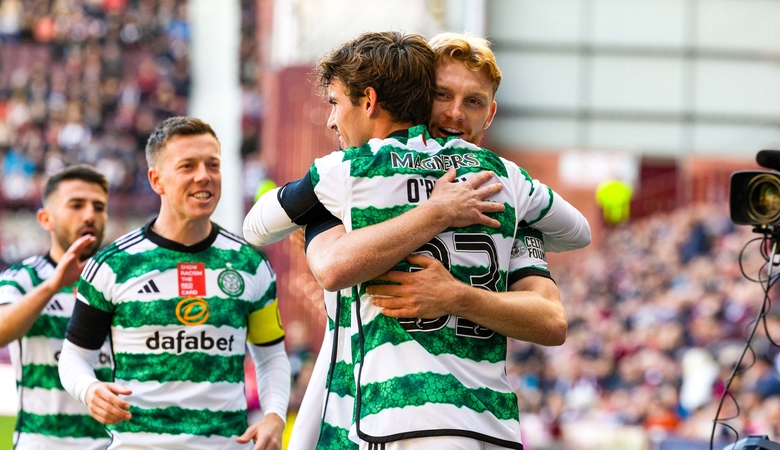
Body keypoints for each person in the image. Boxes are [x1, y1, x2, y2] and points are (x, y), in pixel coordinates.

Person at [244, 31, 589, 449]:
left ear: (490, 114)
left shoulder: (355, 173)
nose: (457, 114)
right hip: (471, 424)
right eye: (444, 96)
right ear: (422, 99)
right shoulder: (506, 184)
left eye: (474, 101)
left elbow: (553, 322)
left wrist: (458, 294)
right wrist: (443, 211)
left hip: (396, 419)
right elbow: (578, 232)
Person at [58, 116, 290, 450]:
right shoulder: (112, 266)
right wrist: (89, 389)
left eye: (213, 165)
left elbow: (270, 357)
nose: (204, 176)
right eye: (187, 166)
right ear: (157, 180)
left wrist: (274, 415)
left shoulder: (250, 265)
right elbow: (74, 358)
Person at [0, 165, 112, 449]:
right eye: (76, 205)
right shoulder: (24, 277)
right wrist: (53, 285)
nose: (89, 215)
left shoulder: (120, 281)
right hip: (42, 443)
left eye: (98, 207)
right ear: (46, 218)